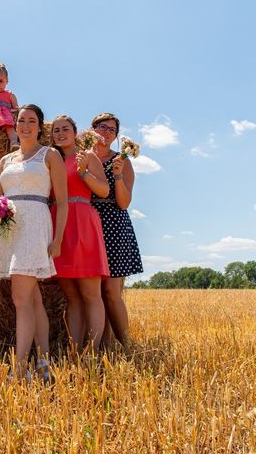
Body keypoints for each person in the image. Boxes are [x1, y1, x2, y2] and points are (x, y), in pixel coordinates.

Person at [0, 104, 67, 378]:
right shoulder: (5, 161)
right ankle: (43, 363)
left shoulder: (50, 155)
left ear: (39, 126)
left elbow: (63, 201)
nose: (25, 126)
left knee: (20, 297)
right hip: (10, 229)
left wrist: (57, 239)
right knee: (33, 300)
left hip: (35, 223)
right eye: (21, 121)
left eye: (31, 121)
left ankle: (20, 366)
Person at [50, 116, 110, 352]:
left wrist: (84, 173)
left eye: (66, 129)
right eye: (56, 130)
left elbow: (104, 191)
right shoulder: (50, 160)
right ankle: (75, 351)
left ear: (75, 133)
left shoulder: (87, 156)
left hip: (82, 222)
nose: (61, 133)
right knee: (72, 297)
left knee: (91, 295)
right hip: (58, 224)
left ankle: (92, 351)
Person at [90, 112, 143, 347]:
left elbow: (123, 203)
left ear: (116, 137)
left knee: (111, 290)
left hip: (113, 222)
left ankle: (127, 345)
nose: (106, 132)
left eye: (112, 130)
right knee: (91, 290)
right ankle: (103, 345)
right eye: (102, 127)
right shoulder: (80, 156)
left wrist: (118, 174)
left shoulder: (122, 161)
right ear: (92, 129)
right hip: (86, 223)